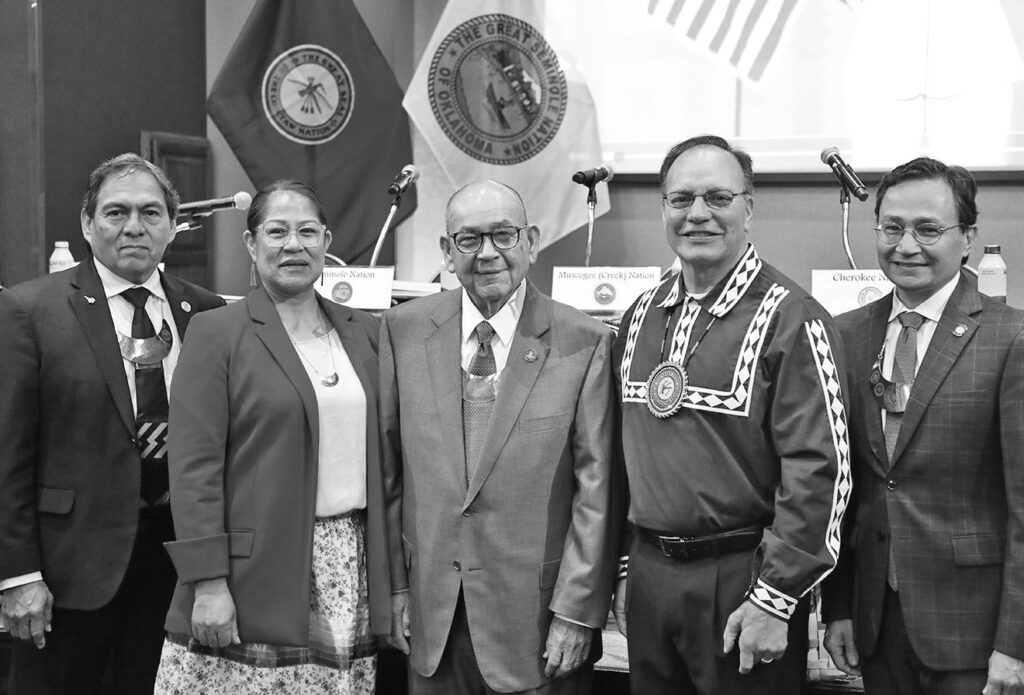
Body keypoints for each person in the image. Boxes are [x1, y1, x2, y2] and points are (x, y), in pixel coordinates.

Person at [611, 135, 852, 694]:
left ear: (749, 207)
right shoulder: (640, 315)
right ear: (664, 208)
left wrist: (776, 597)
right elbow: (619, 456)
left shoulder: (793, 318)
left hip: (743, 581)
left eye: (718, 198)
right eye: (681, 199)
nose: (698, 214)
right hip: (650, 574)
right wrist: (625, 568)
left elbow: (822, 471)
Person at [380, 180, 619, 694]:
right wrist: (395, 587)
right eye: (469, 239)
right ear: (447, 252)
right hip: (431, 619)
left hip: (537, 630)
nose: (487, 253)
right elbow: (388, 475)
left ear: (530, 241)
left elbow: (597, 493)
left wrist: (576, 612)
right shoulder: (402, 331)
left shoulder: (585, 341)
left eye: (504, 235)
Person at [0, 153, 224, 694]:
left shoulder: (208, 312)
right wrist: (17, 575)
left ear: (172, 225)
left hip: (178, 569)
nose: (134, 227)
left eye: (151, 213)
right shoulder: (29, 310)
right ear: (87, 223)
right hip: (69, 572)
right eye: (116, 212)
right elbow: (7, 455)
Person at [153, 180, 388, 694]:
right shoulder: (217, 332)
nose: (293, 245)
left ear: (326, 241)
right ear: (251, 243)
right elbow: (193, 470)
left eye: (307, 232)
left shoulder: (366, 332)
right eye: (277, 232)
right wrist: (208, 583)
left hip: (349, 567)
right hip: (251, 575)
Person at [822, 157, 1024, 695]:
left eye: (928, 229)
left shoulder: (1010, 338)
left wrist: (1016, 643)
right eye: (892, 228)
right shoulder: (845, 334)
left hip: (973, 632)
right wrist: (838, 607)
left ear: (967, 238)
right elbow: (844, 488)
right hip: (876, 622)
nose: (906, 245)